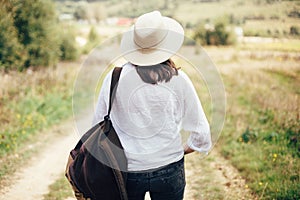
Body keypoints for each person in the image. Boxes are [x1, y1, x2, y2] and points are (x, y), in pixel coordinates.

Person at [93, 11, 212, 200]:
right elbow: (202, 133)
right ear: (166, 45)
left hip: (126, 170)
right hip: (169, 167)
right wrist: (179, 150)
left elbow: (97, 126)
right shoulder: (179, 80)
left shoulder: (114, 77)